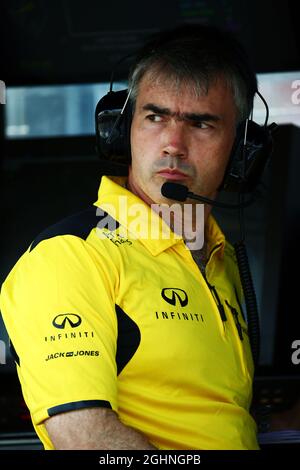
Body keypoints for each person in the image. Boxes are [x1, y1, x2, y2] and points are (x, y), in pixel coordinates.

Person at [1, 24, 266, 450]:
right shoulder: (71, 256)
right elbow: (85, 439)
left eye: (201, 123)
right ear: (121, 130)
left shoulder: (222, 260)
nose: (173, 145)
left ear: (241, 150)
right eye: (155, 117)